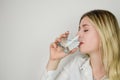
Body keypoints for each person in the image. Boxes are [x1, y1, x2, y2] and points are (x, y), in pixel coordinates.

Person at [41, 9, 120, 80]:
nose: (78, 35)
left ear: (105, 33)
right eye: (79, 29)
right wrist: (54, 60)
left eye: (85, 30)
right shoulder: (76, 64)